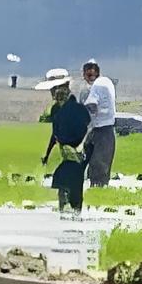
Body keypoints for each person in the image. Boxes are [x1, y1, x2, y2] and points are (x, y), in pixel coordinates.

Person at [42, 74, 93, 212]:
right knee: (68, 184)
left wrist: (80, 147)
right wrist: (47, 154)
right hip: (70, 154)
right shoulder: (58, 110)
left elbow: (87, 129)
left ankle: (70, 212)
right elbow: (56, 134)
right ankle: (69, 212)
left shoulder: (76, 110)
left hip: (76, 154)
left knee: (68, 183)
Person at [77, 60, 118, 188]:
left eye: (93, 76)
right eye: (89, 76)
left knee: (98, 164)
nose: (91, 78)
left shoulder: (95, 88)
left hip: (100, 130)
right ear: (84, 75)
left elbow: (91, 106)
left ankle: (94, 189)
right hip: (96, 130)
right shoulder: (102, 86)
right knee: (97, 165)